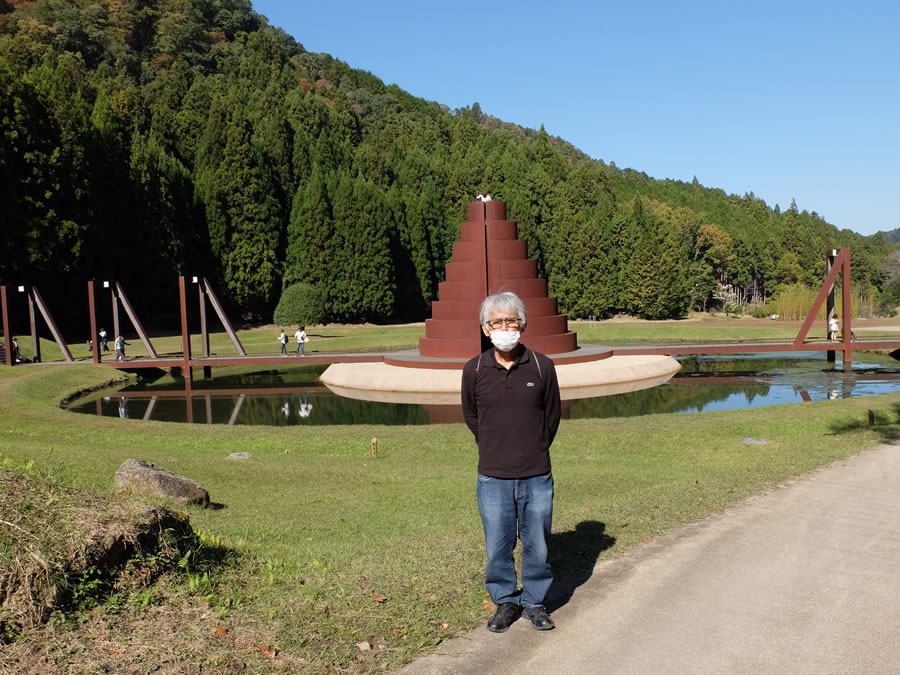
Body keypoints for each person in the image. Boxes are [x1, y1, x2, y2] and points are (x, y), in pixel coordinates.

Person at [461, 292, 561, 633]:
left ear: (522, 324)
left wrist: (531, 447)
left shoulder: (541, 366)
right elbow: (472, 417)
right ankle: (505, 601)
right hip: (493, 476)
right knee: (498, 545)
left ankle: (534, 601)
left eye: (511, 320)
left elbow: (552, 418)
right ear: (485, 329)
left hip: (536, 474)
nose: (505, 327)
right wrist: (495, 446)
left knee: (537, 543)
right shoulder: (473, 370)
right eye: (497, 322)